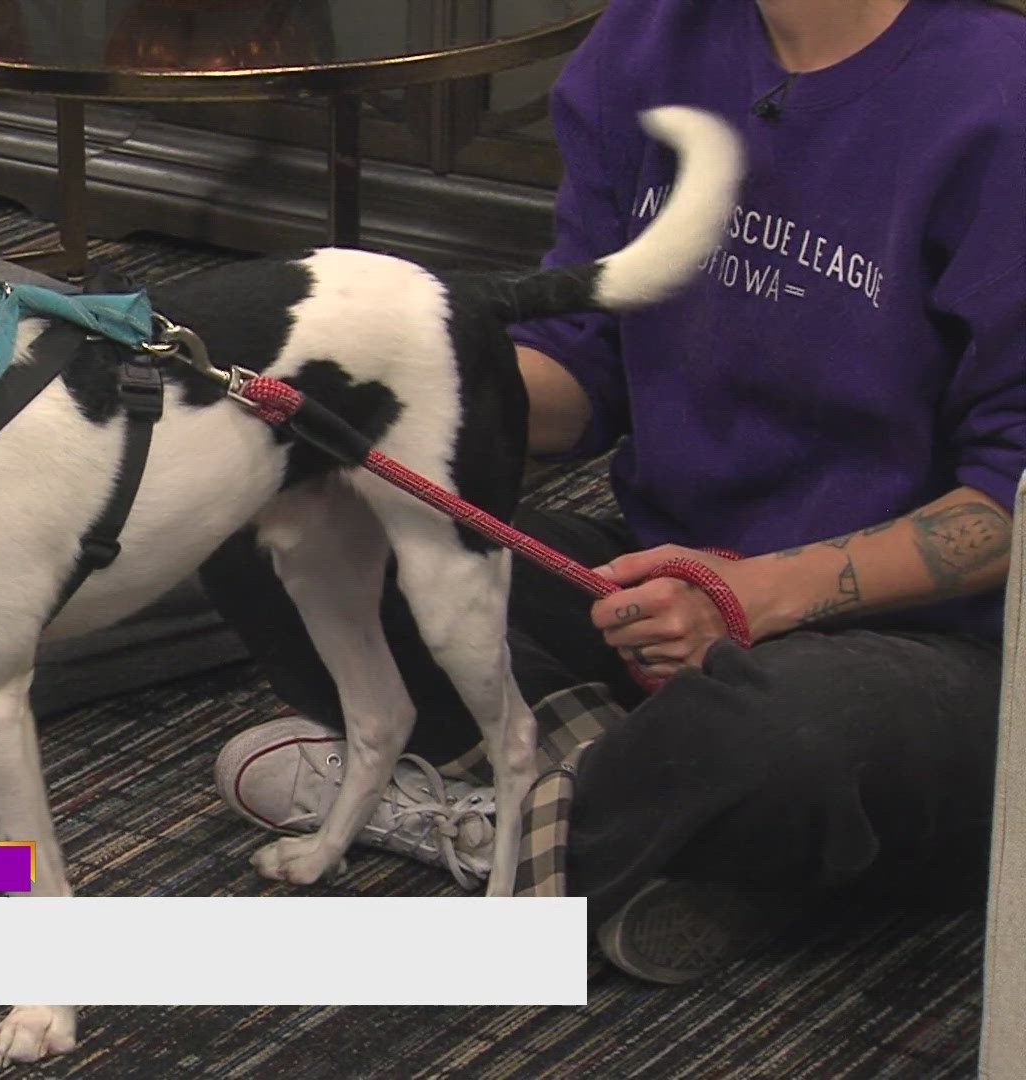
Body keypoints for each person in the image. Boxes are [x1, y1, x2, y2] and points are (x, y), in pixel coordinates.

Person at [208, 0, 1024, 984]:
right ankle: (648, 848)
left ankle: (502, 831)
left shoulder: (998, 94)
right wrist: (387, 382)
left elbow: (1007, 501)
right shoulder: (644, 39)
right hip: (650, 581)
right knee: (277, 522)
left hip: (941, 649)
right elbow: (580, 368)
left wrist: (751, 598)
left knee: (787, 738)